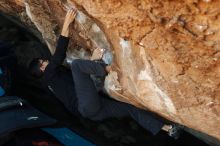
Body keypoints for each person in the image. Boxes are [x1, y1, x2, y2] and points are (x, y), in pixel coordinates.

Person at [29, 9, 182, 138]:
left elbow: (80, 85)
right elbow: (60, 54)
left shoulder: (51, 83)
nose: (47, 61)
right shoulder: (48, 76)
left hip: (92, 112)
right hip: (87, 106)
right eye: (44, 61)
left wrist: (93, 60)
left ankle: (168, 129)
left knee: (130, 108)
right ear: (42, 67)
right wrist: (67, 23)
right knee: (75, 65)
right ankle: (112, 69)